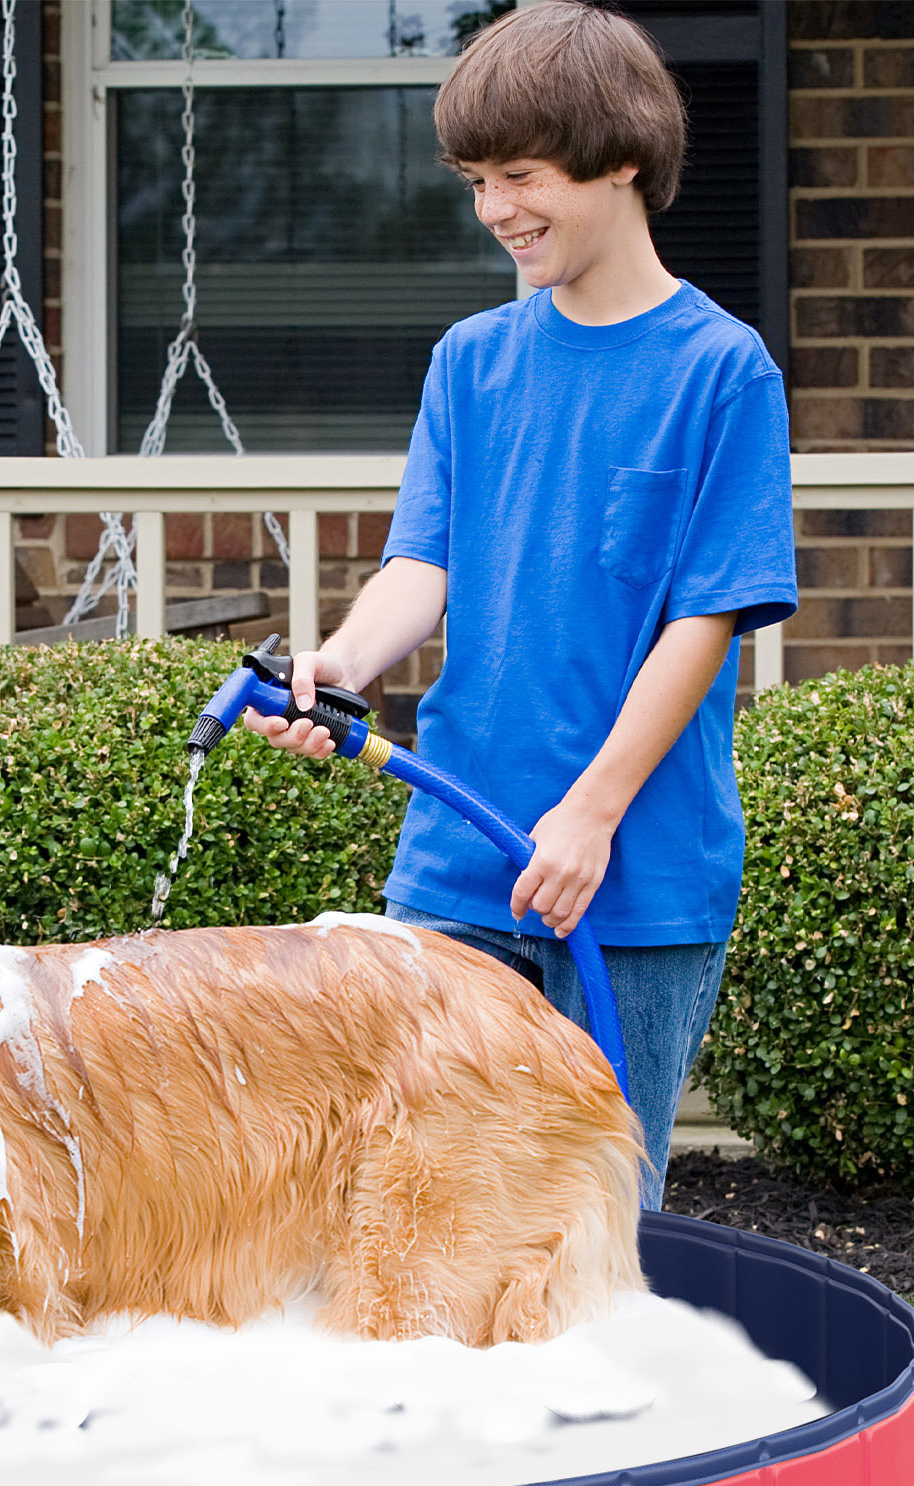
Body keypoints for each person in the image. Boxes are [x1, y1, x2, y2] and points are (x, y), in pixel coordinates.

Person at [250, 0, 794, 1208]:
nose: (492, 208)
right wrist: (336, 664)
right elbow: (422, 564)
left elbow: (701, 623)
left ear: (621, 161)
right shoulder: (471, 362)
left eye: (518, 175)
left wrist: (591, 814)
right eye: (472, 181)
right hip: (457, 855)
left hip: (633, 871)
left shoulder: (719, 372)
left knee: (595, 1213)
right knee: (425, 1195)